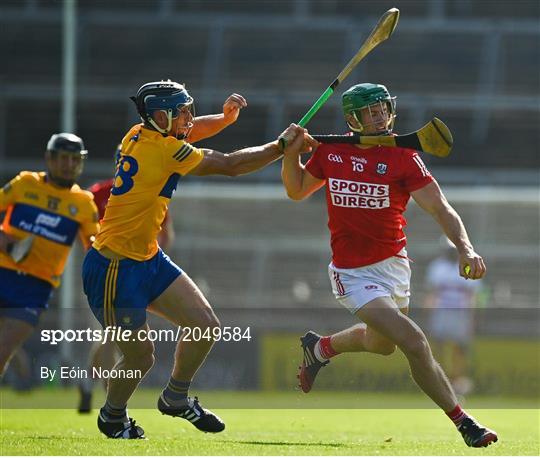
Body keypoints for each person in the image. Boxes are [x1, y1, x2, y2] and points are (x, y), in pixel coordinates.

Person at [82, 80, 313, 439]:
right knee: (141, 357)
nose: (189, 118)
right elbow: (230, 165)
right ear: (160, 117)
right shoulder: (163, 151)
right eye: (182, 112)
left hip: (147, 258)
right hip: (113, 268)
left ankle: (175, 398)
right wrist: (280, 147)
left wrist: (223, 119)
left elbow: (193, 130)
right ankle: (112, 417)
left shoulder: (140, 133)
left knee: (205, 324)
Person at [280, 83, 498, 448]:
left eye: (382, 107)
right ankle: (463, 421)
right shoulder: (332, 152)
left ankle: (320, 348)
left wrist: (465, 247)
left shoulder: (405, 158)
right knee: (413, 340)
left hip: (395, 268)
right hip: (351, 273)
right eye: (370, 110)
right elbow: (297, 189)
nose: (380, 114)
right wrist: (290, 155)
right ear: (353, 118)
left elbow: (440, 207)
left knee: (382, 345)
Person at [78, 148, 176, 414]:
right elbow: (82, 227)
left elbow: (165, 233)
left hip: (137, 274)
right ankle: (107, 397)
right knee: (112, 336)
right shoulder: (99, 193)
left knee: (113, 336)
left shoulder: (153, 193)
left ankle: (94, 386)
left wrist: (153, 262)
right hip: (104, 275)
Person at [0, 133, 99, 377]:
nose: (69, 165)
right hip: (2, 272)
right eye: (64, 158)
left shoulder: (84, 203)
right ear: (49, 158)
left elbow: (95, 247)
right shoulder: (25, 183)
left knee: (2, 352)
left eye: (75, 160)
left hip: (36, 288)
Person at [425, 236, 482, 396]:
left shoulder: (467, 265)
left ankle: (457, 381)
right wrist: (429, 313)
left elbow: (472, 295)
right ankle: (439, 380)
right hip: (441, 311)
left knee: (459, 348)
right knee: (438, 346)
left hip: (460, 312)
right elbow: (433, 293)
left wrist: (472, 318)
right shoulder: (437, 267)